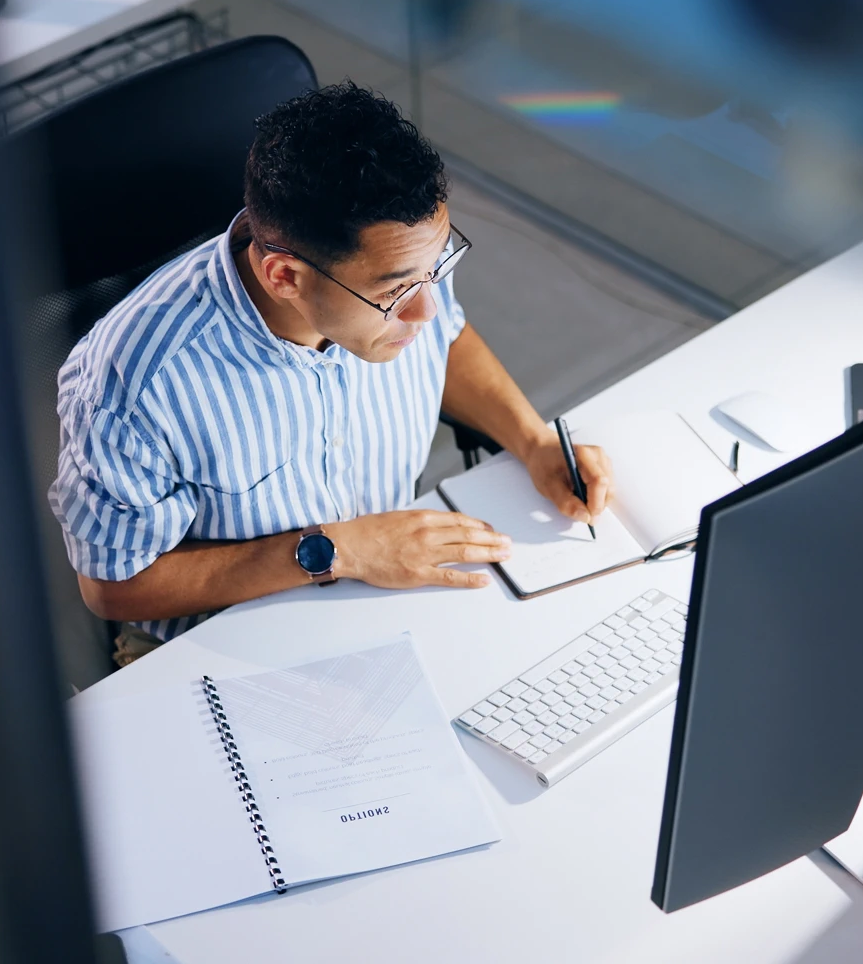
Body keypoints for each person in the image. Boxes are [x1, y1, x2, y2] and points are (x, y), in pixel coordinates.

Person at [50, 82, 613, 660]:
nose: (427, 307)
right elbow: (113, 585)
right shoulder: (132, 385)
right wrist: (340, 550)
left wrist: (532, 439)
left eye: (436, 267)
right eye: (397, 291)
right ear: (285, 277)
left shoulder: (403, 262)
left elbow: (447, 338)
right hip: (227, 648)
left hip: (390, 585)